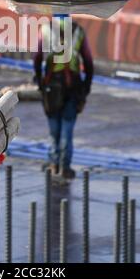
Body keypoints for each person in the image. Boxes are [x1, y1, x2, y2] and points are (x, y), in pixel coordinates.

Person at [34, 15, 93, 180]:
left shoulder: (45, 28)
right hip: (72, 87)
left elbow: (37, 58)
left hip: (51, 86)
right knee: (67, 128)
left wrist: (39, 81)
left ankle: (53, 164)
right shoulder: (79, 31)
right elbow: (88, 63)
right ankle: (65, 167)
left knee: (54, 129)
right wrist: (86, 88)